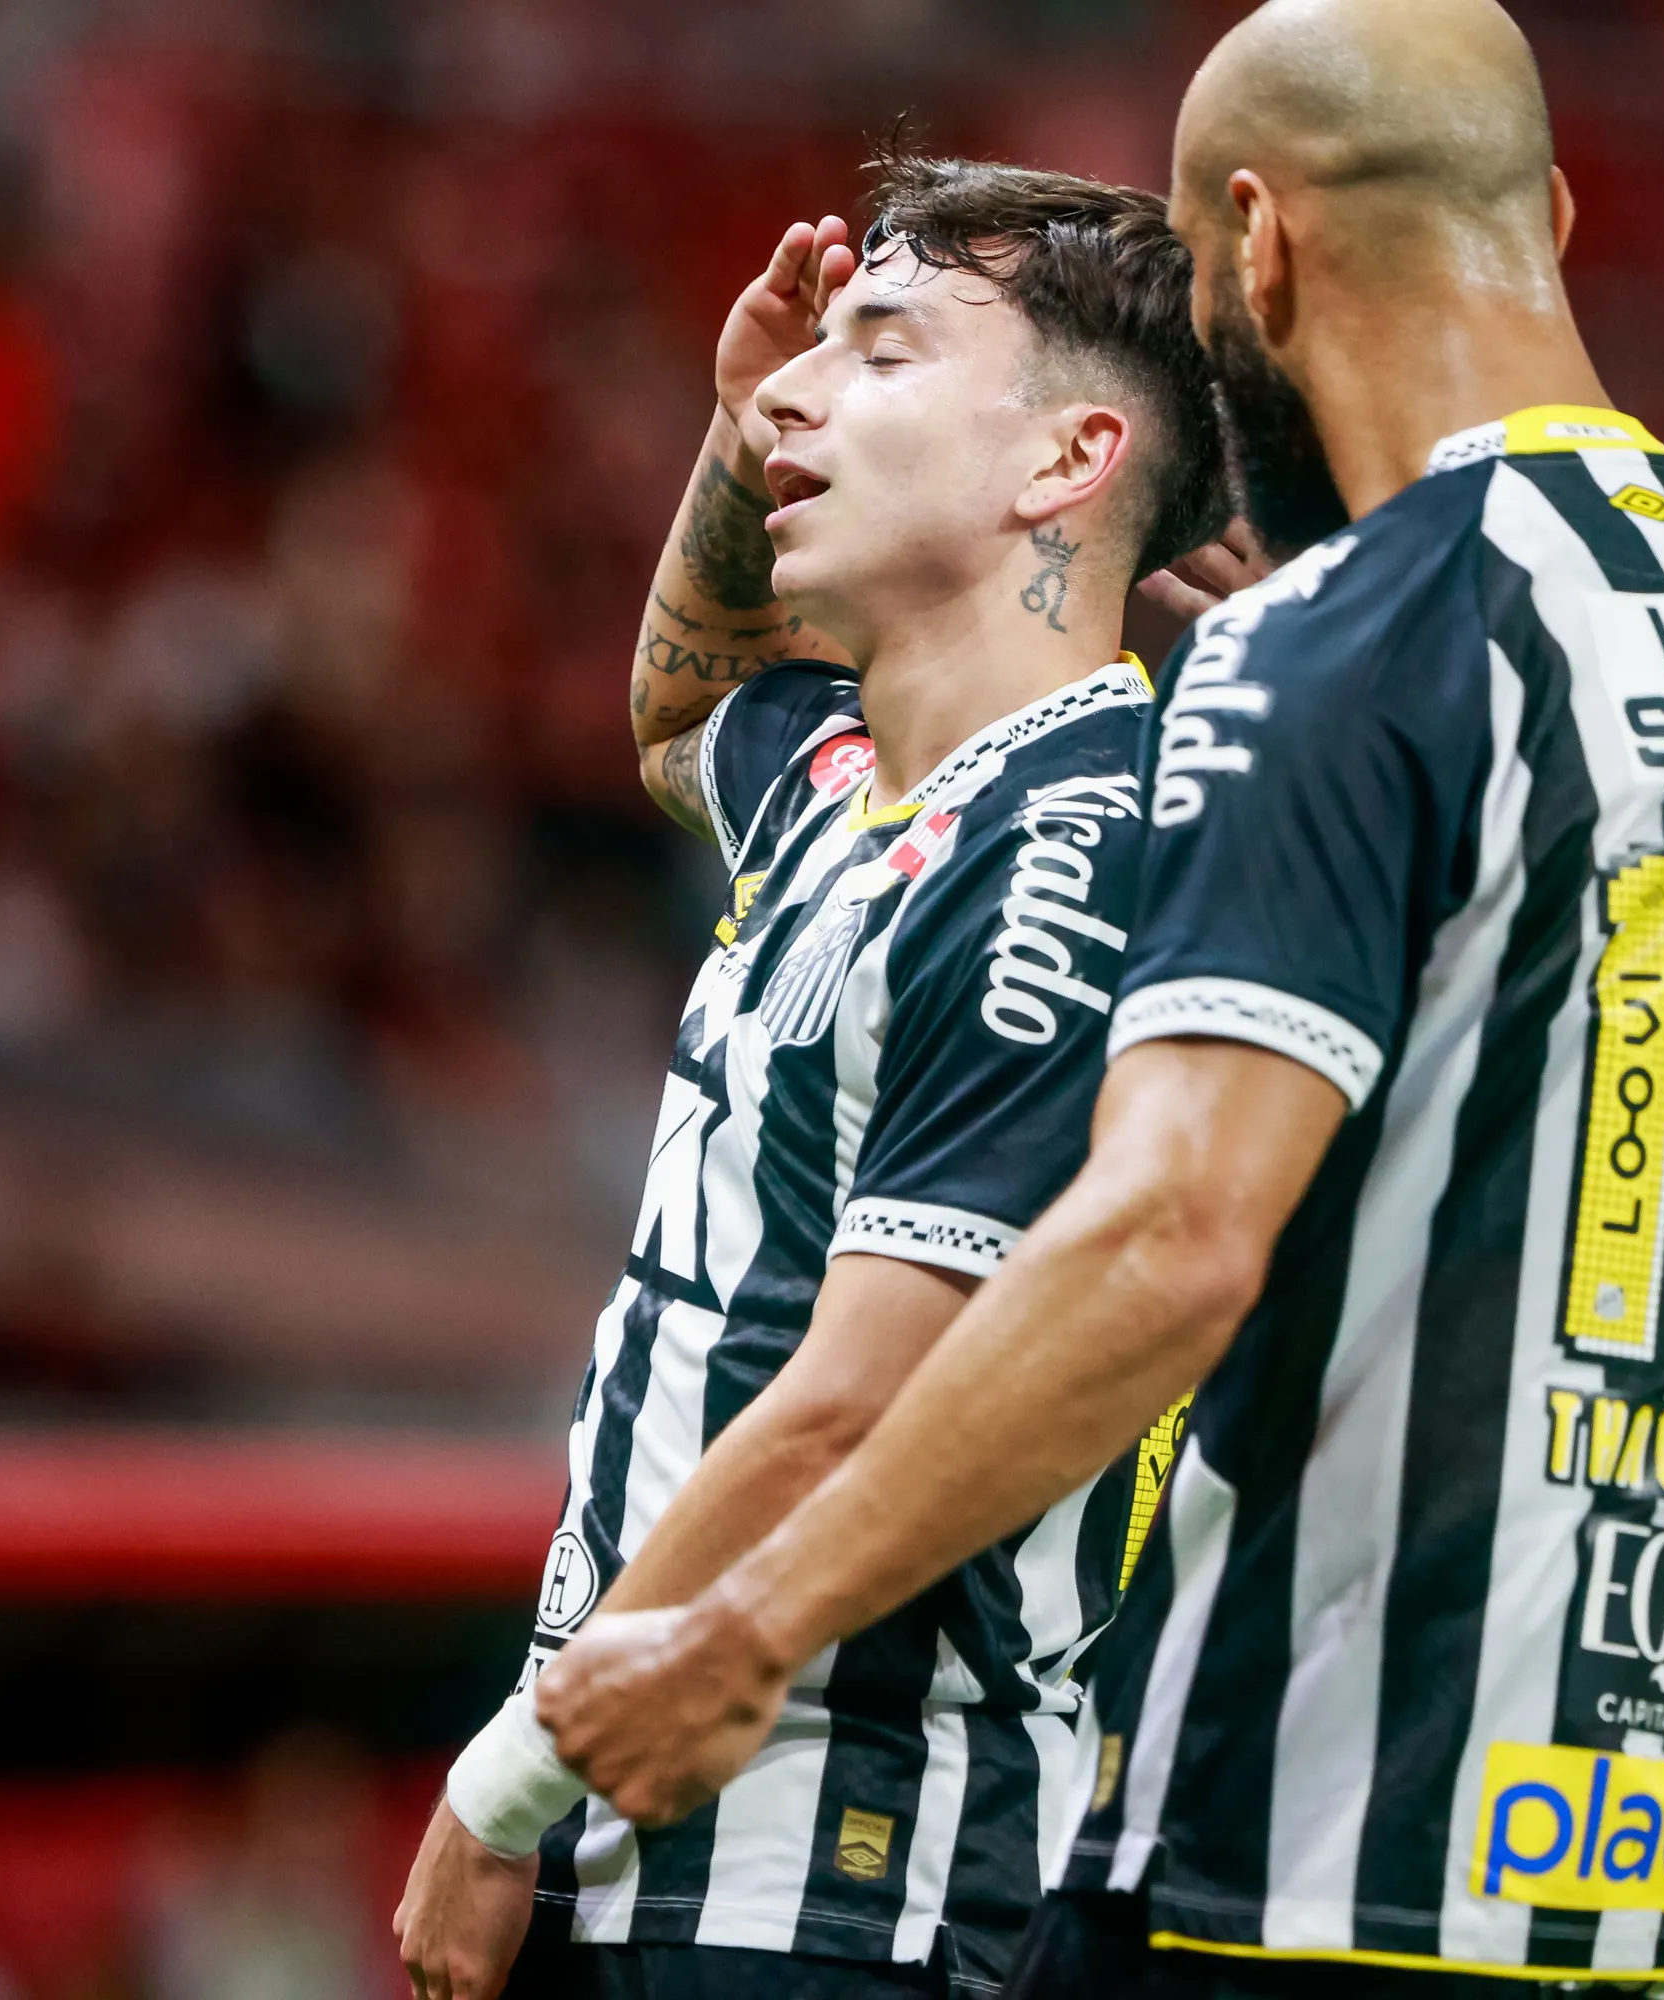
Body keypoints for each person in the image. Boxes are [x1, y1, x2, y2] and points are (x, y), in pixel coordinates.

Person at [533, 2, 1664, 1995]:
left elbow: (1170, 1238)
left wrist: (741, 1632)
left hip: (1334, 1825)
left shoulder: (1344, 643)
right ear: (1553, 217)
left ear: (1256, 244)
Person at [392, 151, 1235, 2000]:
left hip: (845, 1883)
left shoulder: (1068, 857)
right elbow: (687, 711)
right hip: (663, 1833)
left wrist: (505, 1789)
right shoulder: (852, 785)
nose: (795, 389)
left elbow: (861, 1402)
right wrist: (730, 436)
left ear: (1068, 460)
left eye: (886, 349)